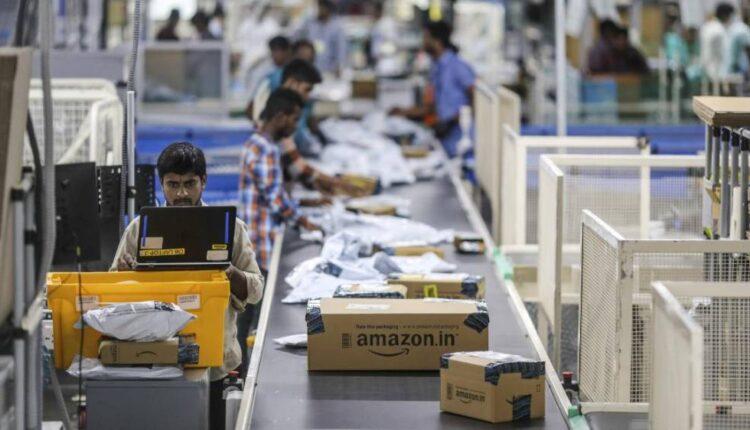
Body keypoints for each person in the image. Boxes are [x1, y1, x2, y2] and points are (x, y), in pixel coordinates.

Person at [110, 142, 264, 430]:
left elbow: (256, 291)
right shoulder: (139, 230)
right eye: (173, 184)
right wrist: (125, 275)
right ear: (162, 185)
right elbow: (110, 300)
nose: (181, 193)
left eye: (190, 183)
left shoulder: (230, 229)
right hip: (156, 362)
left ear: (203, 182)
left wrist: (229, 271)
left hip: (217, 366)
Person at [237, 89, 321, 374]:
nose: (295, 126)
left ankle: (242, 369)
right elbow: (275, 199)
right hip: (261, 246)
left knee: (248, 317)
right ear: (280, 116)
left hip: (254, 242)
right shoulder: (266, 149)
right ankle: (249, 372)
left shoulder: (254, 143)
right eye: (294, 119)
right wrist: (305, 221)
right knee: (261, 320)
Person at [391, 20, 476, 158]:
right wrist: (405, 112)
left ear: (437, 41)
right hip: (444, 135)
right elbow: (431, 105)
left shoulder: (456, 66)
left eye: (426, 37)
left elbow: (475, 94)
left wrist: (461, 118)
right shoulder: (436, 67)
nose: (423, 42)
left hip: (459, 137)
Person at [296, 0, 347, 75]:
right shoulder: (309, 22)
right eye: (320, 6)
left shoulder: (337, 27)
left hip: (329, 70)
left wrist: (339, 65)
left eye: (323, 7)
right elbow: (297, 39)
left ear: (329, 8)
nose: (321, 9)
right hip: (309, 67)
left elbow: (341, 49)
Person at [700, 3, 735, 84]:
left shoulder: (707, 26)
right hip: (716, 74)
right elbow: (721, 54)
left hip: (707, 71)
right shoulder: (718, 30)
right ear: (724, 15)